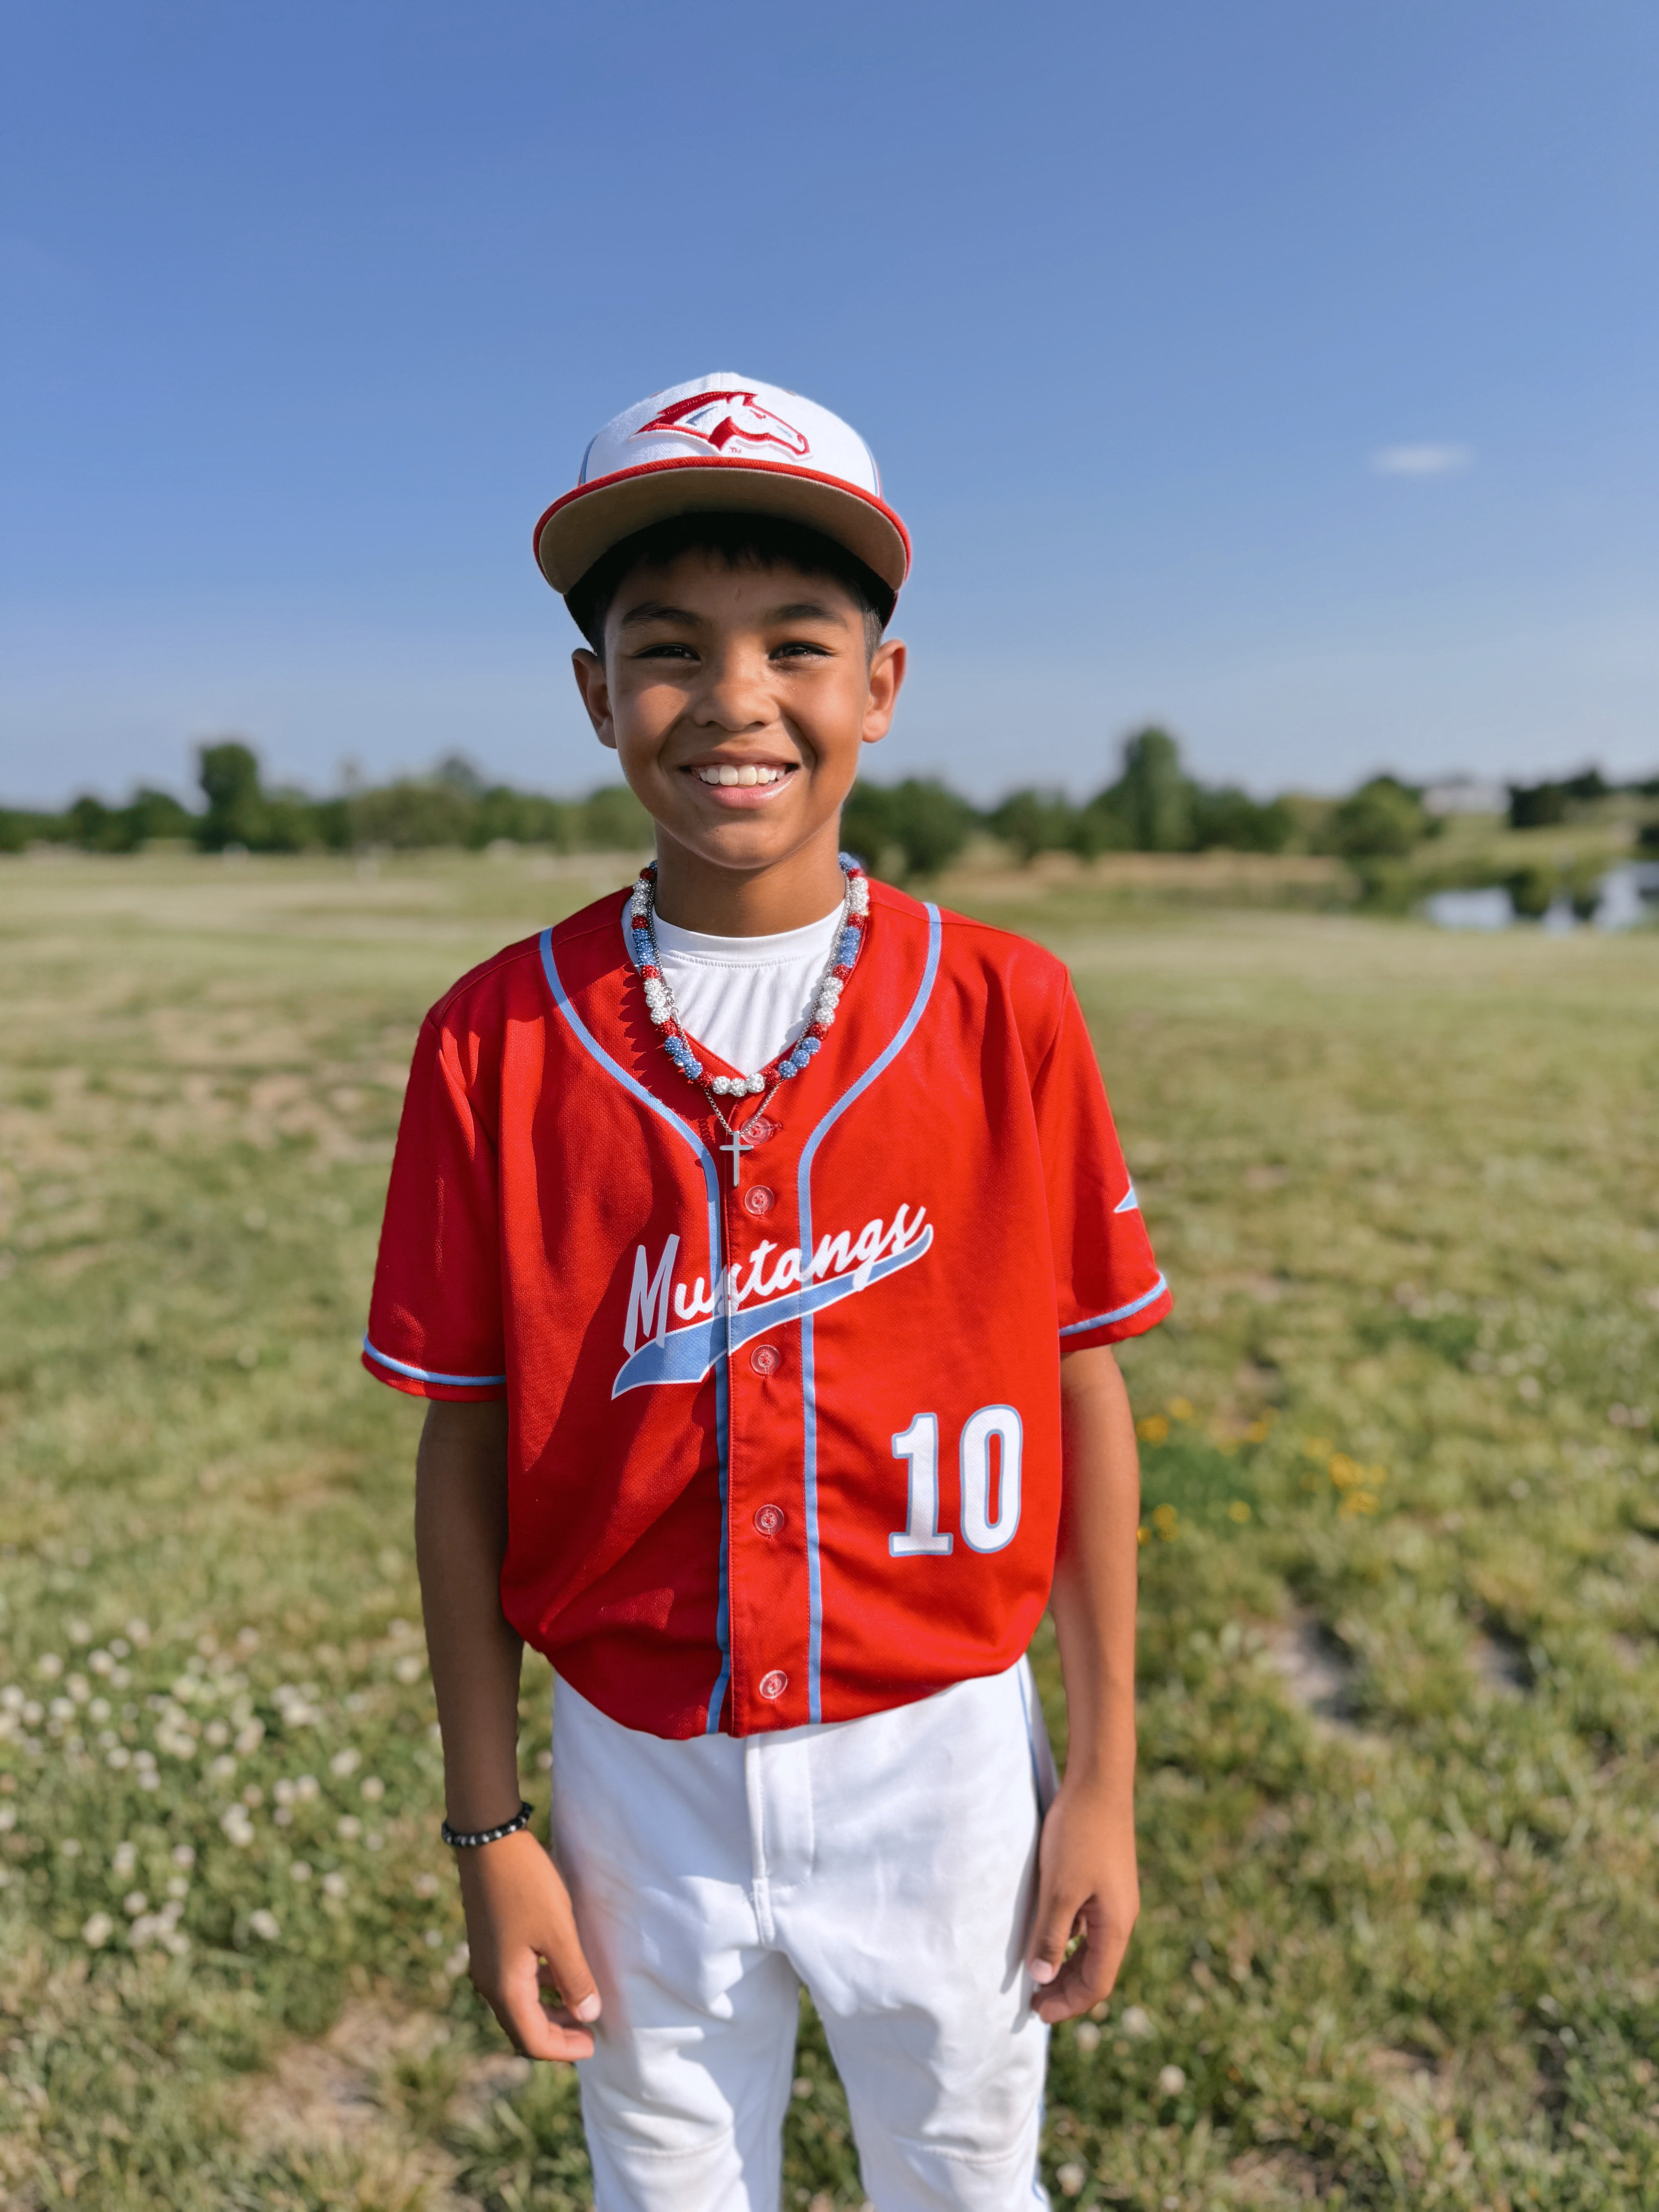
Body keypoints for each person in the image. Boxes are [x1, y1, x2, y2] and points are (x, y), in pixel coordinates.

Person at [363, 373, 1172, 2212]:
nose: (736, 700)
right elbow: (464, 1441)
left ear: (879, 688)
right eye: (668, 649)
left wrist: (1103, 1781)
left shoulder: (1008, 1009)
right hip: (638, 1771)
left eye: (798, 644)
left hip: (946, 1756)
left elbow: (1085, 1389)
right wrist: (490, 1822)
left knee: (966, 2178)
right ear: (595, 694)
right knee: (666, 2188)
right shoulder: (494, 1037)